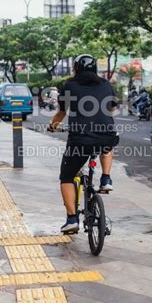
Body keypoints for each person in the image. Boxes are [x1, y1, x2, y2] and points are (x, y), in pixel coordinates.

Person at [48, 54, 119, 234]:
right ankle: (106, 178)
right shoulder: (106, 85)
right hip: (106, 135)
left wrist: (53, 126)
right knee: (107, 144)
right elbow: (111, 108)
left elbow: (61, 112)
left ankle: (72, 219)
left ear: (76, 69)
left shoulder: (70, 86)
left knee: (66, 176)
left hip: (80, 140)